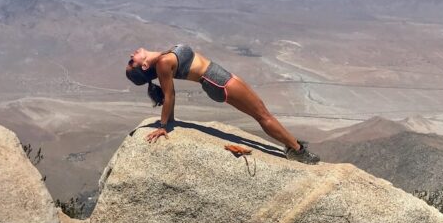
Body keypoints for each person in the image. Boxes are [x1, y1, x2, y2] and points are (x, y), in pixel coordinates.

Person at [126, 44, 320, 164]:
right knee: (262, 115)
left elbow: (171, 92)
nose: (131, 54)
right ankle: (297, 151)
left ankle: (293, 147)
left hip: (221, 77)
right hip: (218, 83)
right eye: (131, 61)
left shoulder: (162, 56)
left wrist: (170, 120)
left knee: (261, 111)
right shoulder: (161, 63)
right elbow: (169, 95)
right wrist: (163, 126)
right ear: (144, 66)